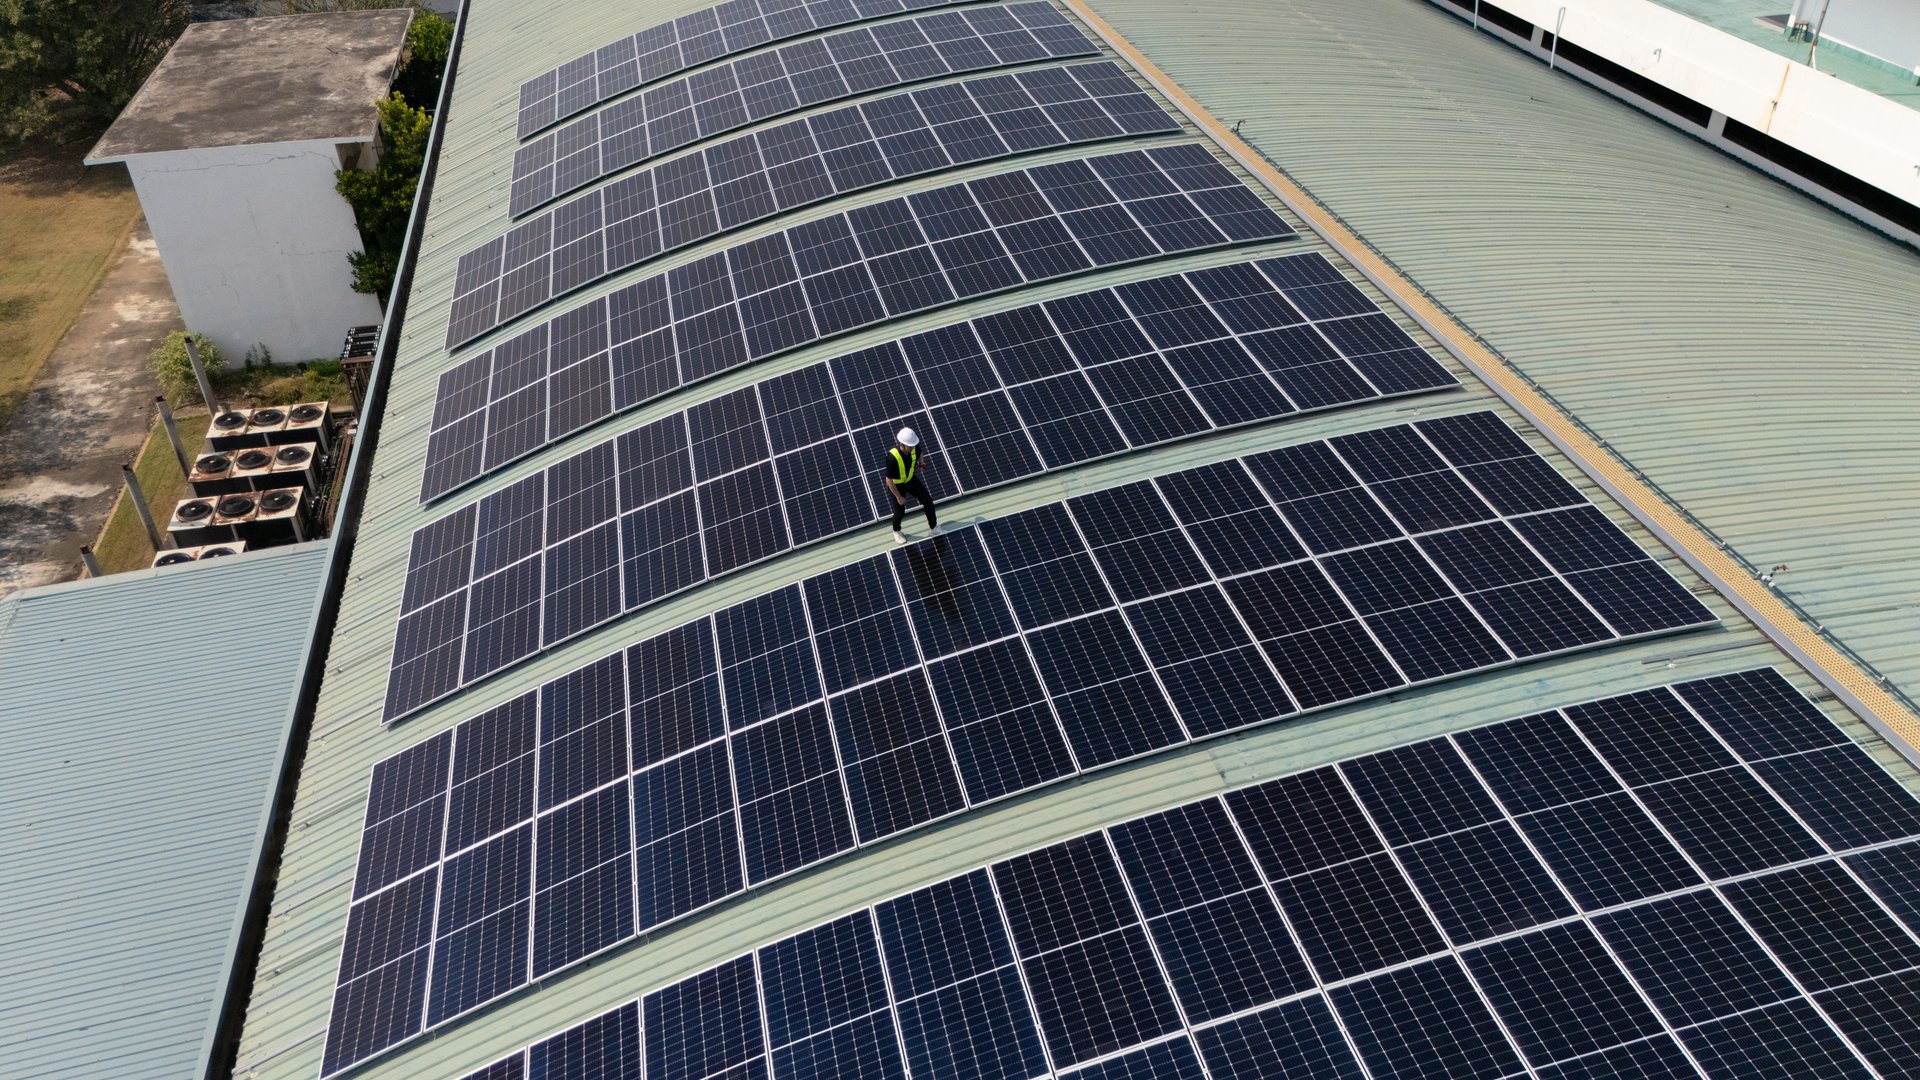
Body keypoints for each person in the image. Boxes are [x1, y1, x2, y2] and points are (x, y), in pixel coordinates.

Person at [883, 426, 938, 544]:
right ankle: (896, 531)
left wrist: (921, 462)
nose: (912, 448)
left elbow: (920, 452)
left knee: (927, 500)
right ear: (902, 444)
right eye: (910, 446)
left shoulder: (913, 447)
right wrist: (899, 497)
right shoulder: (892, 457)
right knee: (900, 511)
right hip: (896, 486)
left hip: (911, 480)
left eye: (913, 445)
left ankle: (933, 527)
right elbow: (889, 480)